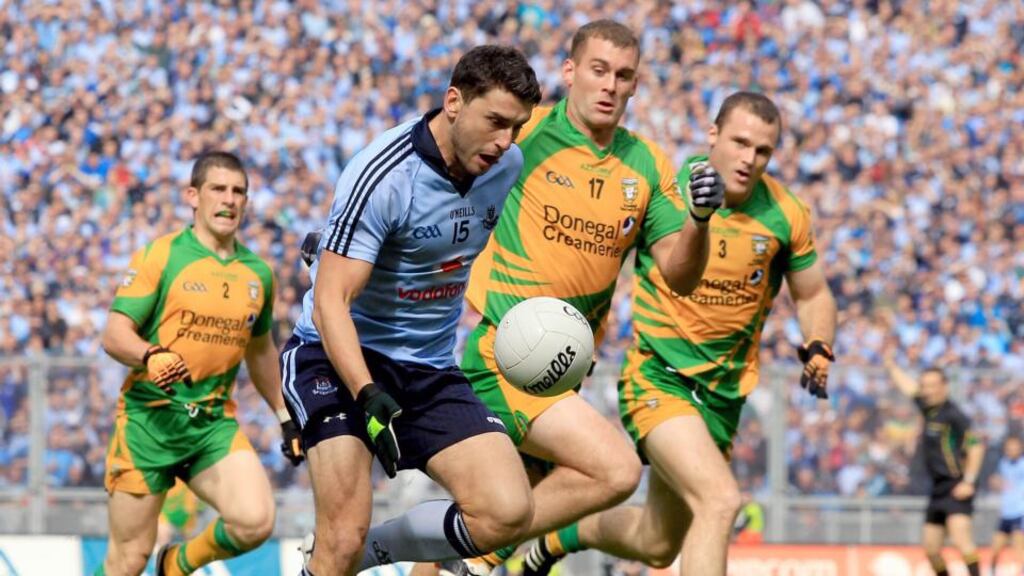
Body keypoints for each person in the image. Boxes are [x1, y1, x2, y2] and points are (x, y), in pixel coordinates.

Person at [435, 20, 721, 576]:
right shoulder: (527, 134)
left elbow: (680, 274)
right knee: (615, 471)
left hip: (561, 374)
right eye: (598, 71)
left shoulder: (647, 166)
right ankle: (483, 545)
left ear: (636, 85)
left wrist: (700, 220)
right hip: (504, 356)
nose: (610, 85)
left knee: (478, 523)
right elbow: (441, 161)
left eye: (624, 75)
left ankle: (461, 545)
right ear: (570, 73)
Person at [522, 92, 838, 576]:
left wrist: (819, 344)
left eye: (763, 151)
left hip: (722, 397)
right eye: (740, 142)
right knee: (720, 500)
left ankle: (560, 537)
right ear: (713, 136)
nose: (749, 159)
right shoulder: (667, 189)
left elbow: (814, 294)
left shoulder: (785, 212)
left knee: (658, 544)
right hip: (659, 378)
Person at [281, 45, 542, 576]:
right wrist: (366, 392)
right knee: (341, 535)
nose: (504, 142)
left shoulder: (507, 165)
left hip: (427, 367)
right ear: (453, 101)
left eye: (516, 127)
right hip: (333, 358)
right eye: (494, 121)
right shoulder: (382, 174)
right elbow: (332, 301)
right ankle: (345, 551)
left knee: (508, 511)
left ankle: (376, 551)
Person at [95, 151, 303, 576]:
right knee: (128, 559)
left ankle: (177, 564)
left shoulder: (257, 273)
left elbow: (260, 351)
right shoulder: (162, 255)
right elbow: (114, 335)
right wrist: (149, 355)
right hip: (147, 425)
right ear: (193, 196)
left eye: (238, 191)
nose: (229, 200)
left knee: (255, 521)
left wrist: (284, 414)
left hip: (211, 425)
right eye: (218, 189)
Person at [887, 359, 985, 576]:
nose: (927, 390)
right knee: (931, 550)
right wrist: (891, 365)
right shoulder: (929, 409)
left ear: (944, 386)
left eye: (932, 385)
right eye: (925, 385)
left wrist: (968, 482)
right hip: (937, 489)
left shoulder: (954, 416)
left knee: (962, 540)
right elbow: (910, 388)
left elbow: (976, 447)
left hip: (956, 485)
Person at [990, 436, 1024, 573]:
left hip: (1020, 513)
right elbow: (997, 481)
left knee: (1019, 549)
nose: (1012, 450)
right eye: (1009, 447)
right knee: (995, 549)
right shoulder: (1003, 463)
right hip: (1005, 513)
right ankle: (991, 572)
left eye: (1015, 447)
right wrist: (996, 482)